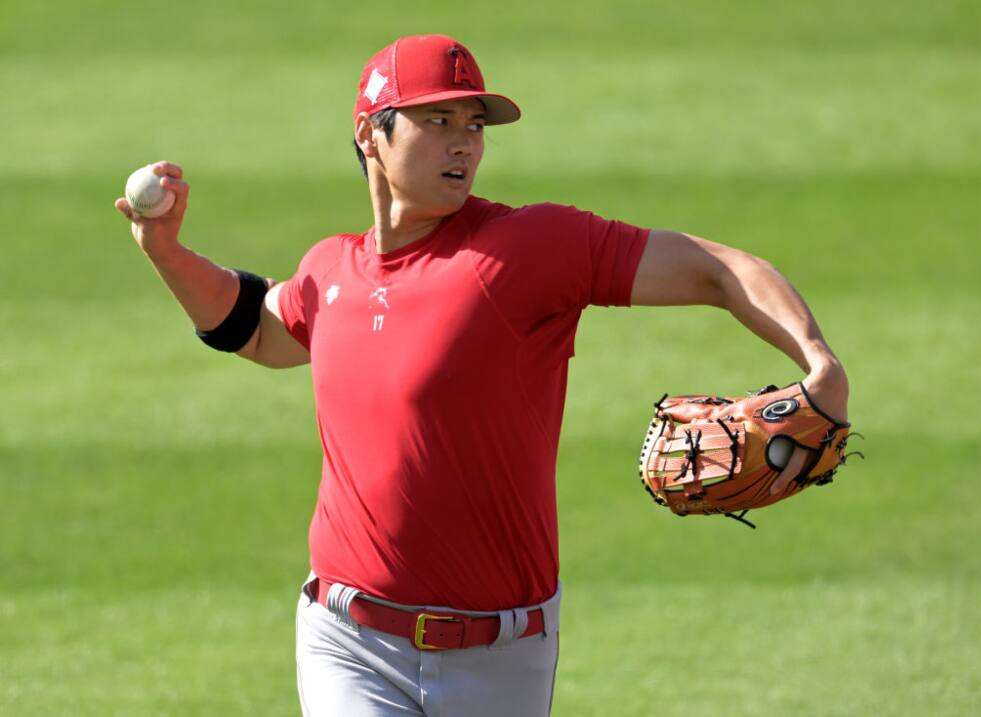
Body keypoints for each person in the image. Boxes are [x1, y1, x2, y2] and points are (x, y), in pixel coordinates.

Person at [115, 34, 849, 717]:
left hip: (500, 656)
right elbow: (257, 327)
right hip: (348, 640)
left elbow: (714, 269)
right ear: (374, 132)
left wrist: (818, 361)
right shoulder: (331, 269)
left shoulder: (524, 250)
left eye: (474, 123)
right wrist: (165, 250)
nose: (463, 140)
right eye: (437, 120)